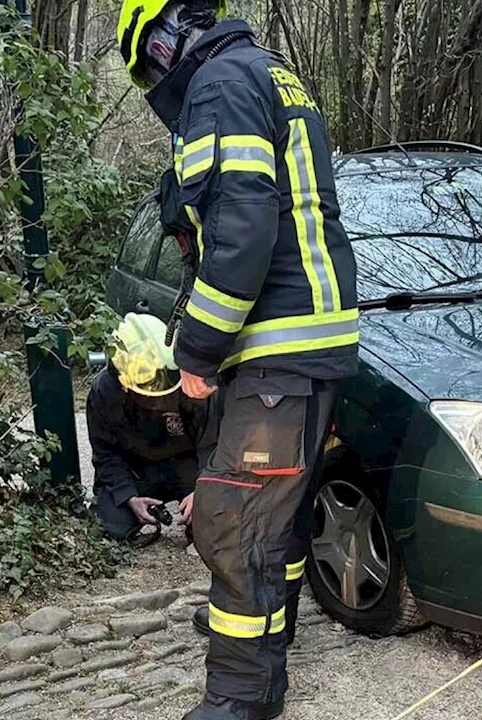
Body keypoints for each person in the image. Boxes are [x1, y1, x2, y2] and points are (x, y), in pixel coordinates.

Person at [116, 0, 359, 716]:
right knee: (270, 525)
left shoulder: (221, 86)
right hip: (304, 347)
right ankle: (258, 635)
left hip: (273, 348)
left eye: (149, 61)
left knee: (234, 525)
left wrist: (196, 350)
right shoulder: (272, 74)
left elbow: (240, 231)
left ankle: (240, 696)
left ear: (164, 41)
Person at [87, 313, 212, 545]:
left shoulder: (190, 383)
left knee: (213, 520)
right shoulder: (104, 392)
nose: (158, 401)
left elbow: (214, 443)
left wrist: (205, 490)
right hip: (136, 469)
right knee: (112, 525)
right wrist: (129, 497)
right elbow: (106, 455)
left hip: (186, 464)